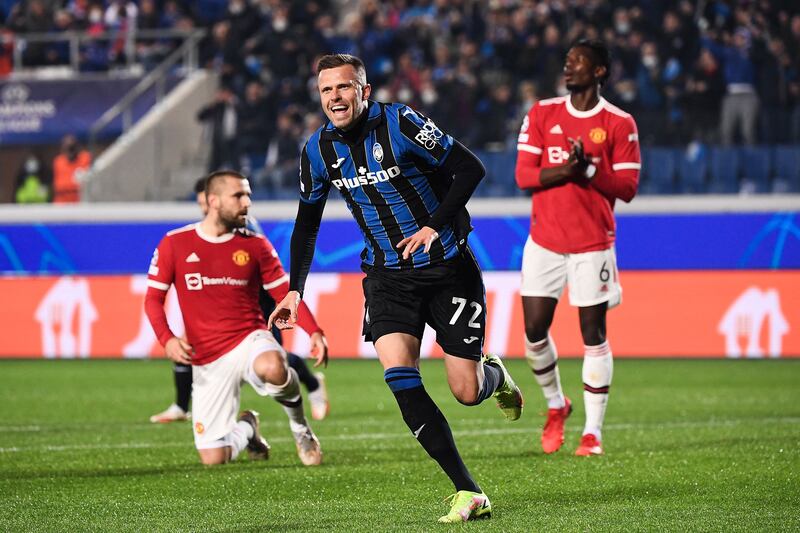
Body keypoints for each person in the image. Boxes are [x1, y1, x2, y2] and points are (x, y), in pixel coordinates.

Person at [268, 54, 523, 523]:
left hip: (448, 268)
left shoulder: (402, 123)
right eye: (326, 91)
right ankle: (469, 491)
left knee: (465, 391)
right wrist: (294, 290)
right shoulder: (316, 151)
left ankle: (495, 377)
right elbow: (307, 225)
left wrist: (432, 226)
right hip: (386, 277)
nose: (335, 98)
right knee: (399, 377)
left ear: (364, 90)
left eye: (344, 88)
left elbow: (470, 169)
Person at [144, 170, 328, 466]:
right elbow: (153, 299)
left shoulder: (255, 245)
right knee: (213, 458)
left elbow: (285, 292)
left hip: (249, 338)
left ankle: (300, 428)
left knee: (273, 365)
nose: (247, 203)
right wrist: (166, 339)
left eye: (249, 196)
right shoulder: (174, 243)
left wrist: (314, 331)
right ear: (213, 201)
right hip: (207, 357)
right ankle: (248, 428)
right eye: (239, 195)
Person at [514, 39, 640, 457]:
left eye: (579, 62)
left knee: (593, 335)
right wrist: (567, 169)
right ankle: (556, 404)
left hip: (592, 245)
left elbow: (627, 188)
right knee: (533, 333)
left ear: (600, 71)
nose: (569, 68)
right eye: (567, 61)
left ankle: (593, 433)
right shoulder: (543, 113)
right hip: (545, 241)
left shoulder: (620, 123)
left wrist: (588, 170)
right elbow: (524, 176)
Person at [52, 135, 91, 203]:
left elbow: (87, 183)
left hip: (79, 200)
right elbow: (58, 185)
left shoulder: (85, 158)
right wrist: (72, 185)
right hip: (62, 201)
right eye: (67, 148)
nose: (70, 151)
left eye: (72, 148)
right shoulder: (59, 161)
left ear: (77, 147)